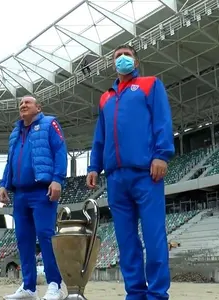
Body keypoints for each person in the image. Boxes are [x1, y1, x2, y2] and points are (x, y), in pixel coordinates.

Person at [86, 45, 175, 300]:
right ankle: (134, 293)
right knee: (126, 241)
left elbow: (162, 120)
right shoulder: (105, 97)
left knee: (154, 236)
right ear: (112, 63)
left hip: (146, 173)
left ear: (135, 60)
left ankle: (157, 294)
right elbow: (99, 136)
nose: (121, 58)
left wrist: (161, 154)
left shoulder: (150, 84)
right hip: (115, 177)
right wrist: (94, 166)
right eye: (116, 56)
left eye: (126, 54)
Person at [0, 95, 67, 300]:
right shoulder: (15, 132)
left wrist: (57, 179)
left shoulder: (49, 124)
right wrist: (3, 185)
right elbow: (10, 161)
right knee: (23, 240)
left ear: (38, 107)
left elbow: (60, 151)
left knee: (46, 236)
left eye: (28, 102)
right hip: (20, 193)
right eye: (21, 103)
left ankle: (55, 284)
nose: (23, 105)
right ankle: (29, 287)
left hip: (42, 191)